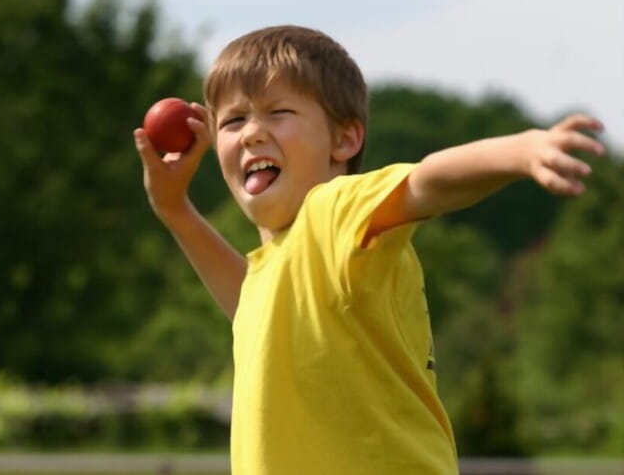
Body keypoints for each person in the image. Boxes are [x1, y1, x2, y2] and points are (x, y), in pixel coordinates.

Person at [132, 25, 606, 475]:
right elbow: (251, 308)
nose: (252, 132)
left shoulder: (332, 209)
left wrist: (519, 151)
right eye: (234, 120)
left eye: (278, 112)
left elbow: (426, 184)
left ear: (344, 139)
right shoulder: (276, 270)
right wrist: (175, 209)